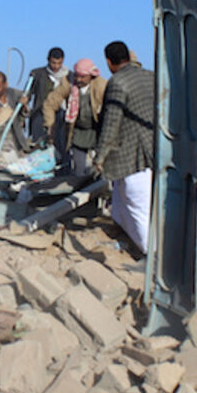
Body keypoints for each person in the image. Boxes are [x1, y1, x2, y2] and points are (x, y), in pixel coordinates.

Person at [94, 41, 155, 254]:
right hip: (157, 152)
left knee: (138, 209)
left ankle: (152, 258)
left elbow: (111, 123)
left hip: (133, 156)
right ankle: (131, 245)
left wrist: (100, 157)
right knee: (120, 208)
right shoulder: (151, 77)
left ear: (109, 62)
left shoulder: (118, 82)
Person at [42, 58, 107, 177]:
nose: (78, 80)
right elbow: (50, 103)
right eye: (77, 76)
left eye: (82, 77)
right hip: (77, 131)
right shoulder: (69, 83)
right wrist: (50, 124)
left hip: (97, 130)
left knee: (100, 168)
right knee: (78, 170)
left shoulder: (101, 85)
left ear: (90, 76)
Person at [27, 47, 69, 154]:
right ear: (48, 60)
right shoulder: (37, 74)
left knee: (62, 148)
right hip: (40, 115)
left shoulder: (69, 76)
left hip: (62, 116)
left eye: (59, 63)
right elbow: (27, 94)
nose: (56, 66)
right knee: (39, 147)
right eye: (53, 63)